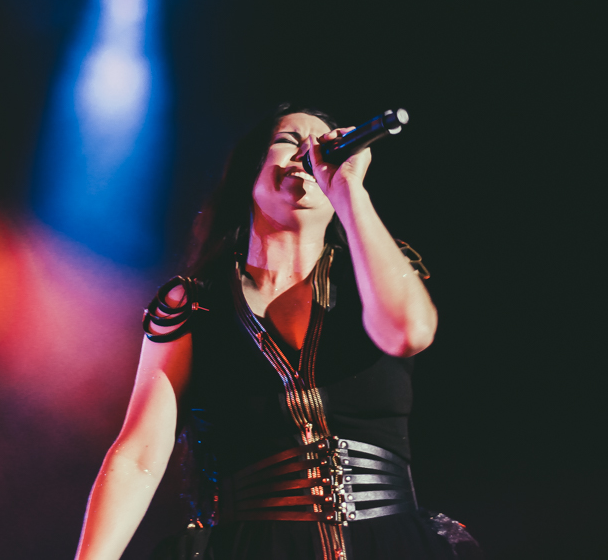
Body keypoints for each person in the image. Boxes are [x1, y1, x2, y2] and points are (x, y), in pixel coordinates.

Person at [75, 105, 479, 560]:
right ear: (250, 169)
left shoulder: (372, 277)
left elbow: (408, 332)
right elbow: (139, 456)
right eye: (288, 139)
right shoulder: (196, 304)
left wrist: (349, 189)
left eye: (322, 144)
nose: (309, 152)